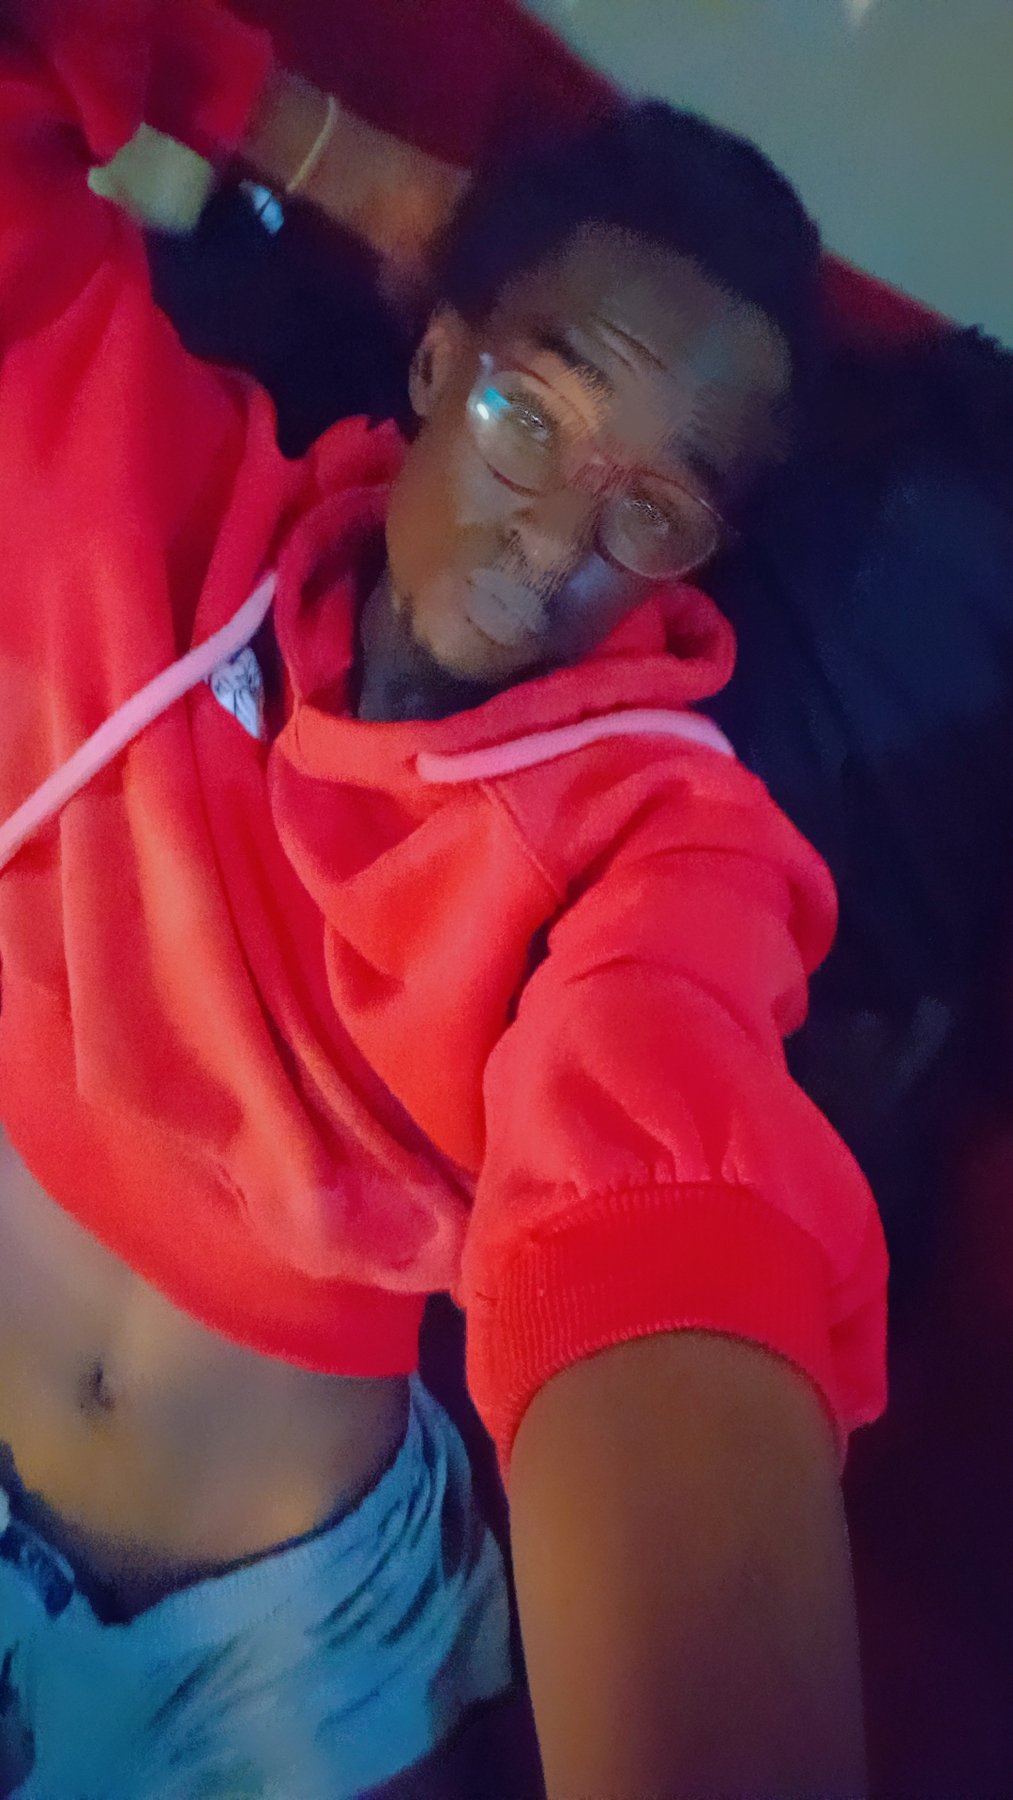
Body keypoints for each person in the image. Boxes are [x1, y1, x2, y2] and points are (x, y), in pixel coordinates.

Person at [0, 2, 887, 1795]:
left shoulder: (649, 836)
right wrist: (337, 158)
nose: (554, 544)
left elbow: (670, 1158)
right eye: (526, 413)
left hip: (275, 1654)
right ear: (432, 362)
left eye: (654, 511)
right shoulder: (143, 498)